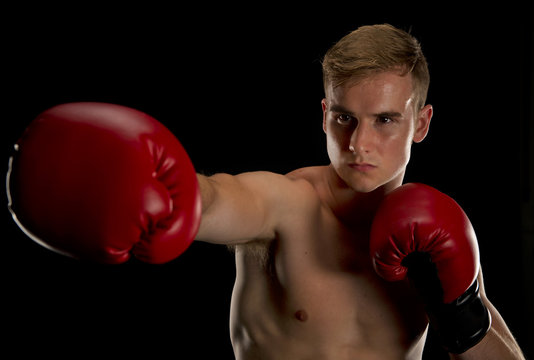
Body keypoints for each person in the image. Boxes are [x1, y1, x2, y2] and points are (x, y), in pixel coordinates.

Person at [7, 24, 525, 359]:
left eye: (386, 120)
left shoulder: (434, 237)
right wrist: (174, 194)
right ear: (324, 115)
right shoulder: (287, 205)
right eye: (344, 118)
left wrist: (459, 308)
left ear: (422, 123)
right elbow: (215, 198)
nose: (359, 143)